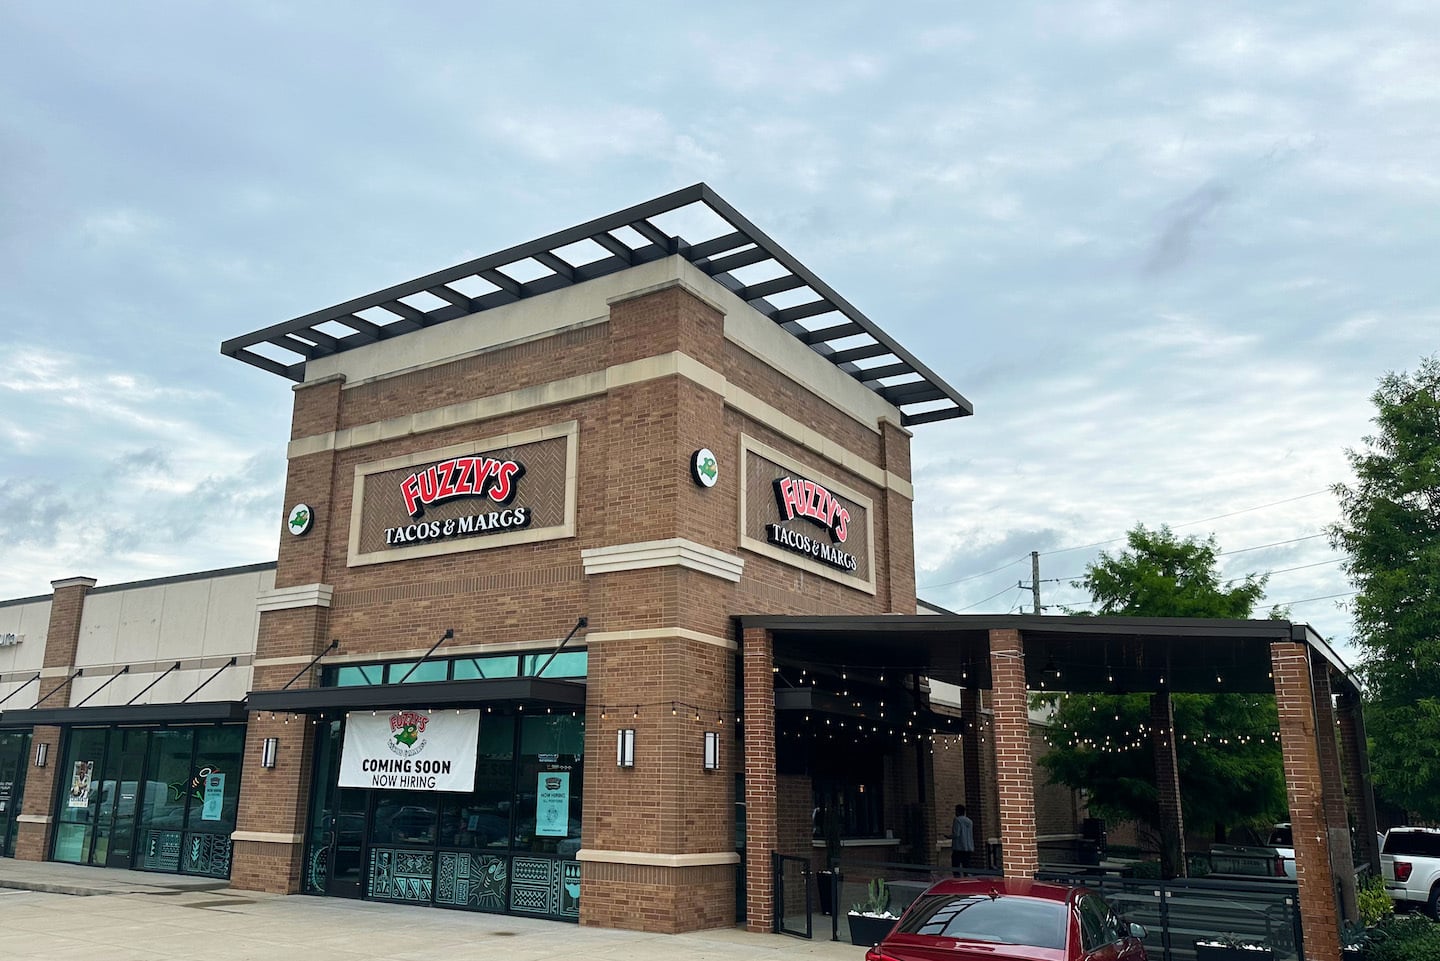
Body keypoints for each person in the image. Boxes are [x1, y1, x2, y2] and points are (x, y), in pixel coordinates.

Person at [951, 803, 974, 873]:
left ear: (958, 811)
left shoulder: (957, 820)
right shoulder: (969, 821)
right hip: (968, 848)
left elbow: (956, 834)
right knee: (966, 866)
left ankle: (957, 879)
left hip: (959, 847)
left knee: (955, 866)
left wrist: (949, 836)